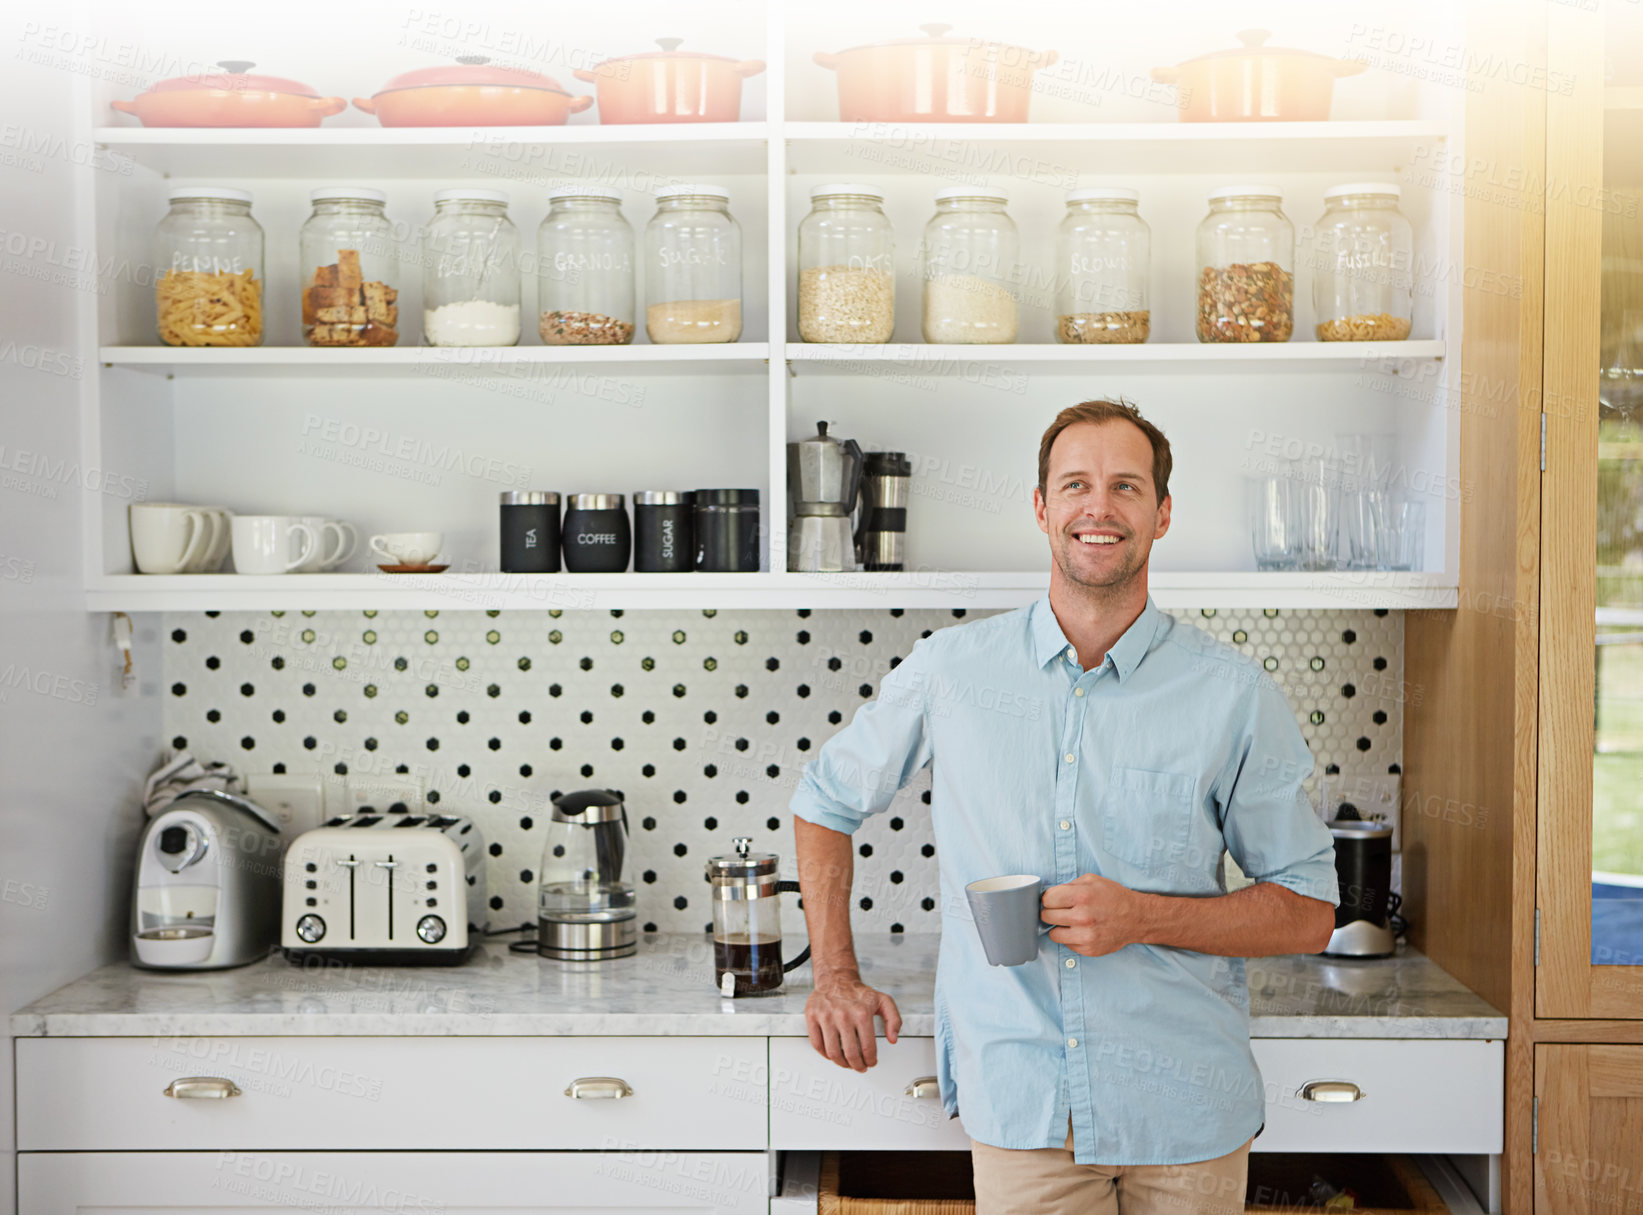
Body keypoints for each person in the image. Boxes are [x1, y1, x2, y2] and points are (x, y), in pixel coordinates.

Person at [789, 398, 1340, 1215]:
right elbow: (823, 800)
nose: (1099, 506)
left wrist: (1141, 917)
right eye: (1075, 483)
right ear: (1042, 507)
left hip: (1187, 1112)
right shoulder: (951, 669)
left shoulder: (1231, 694)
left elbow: (1307, 912)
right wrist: (834, 973)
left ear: (1160, 514)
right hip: (1021, 1107)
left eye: (1125, 485)